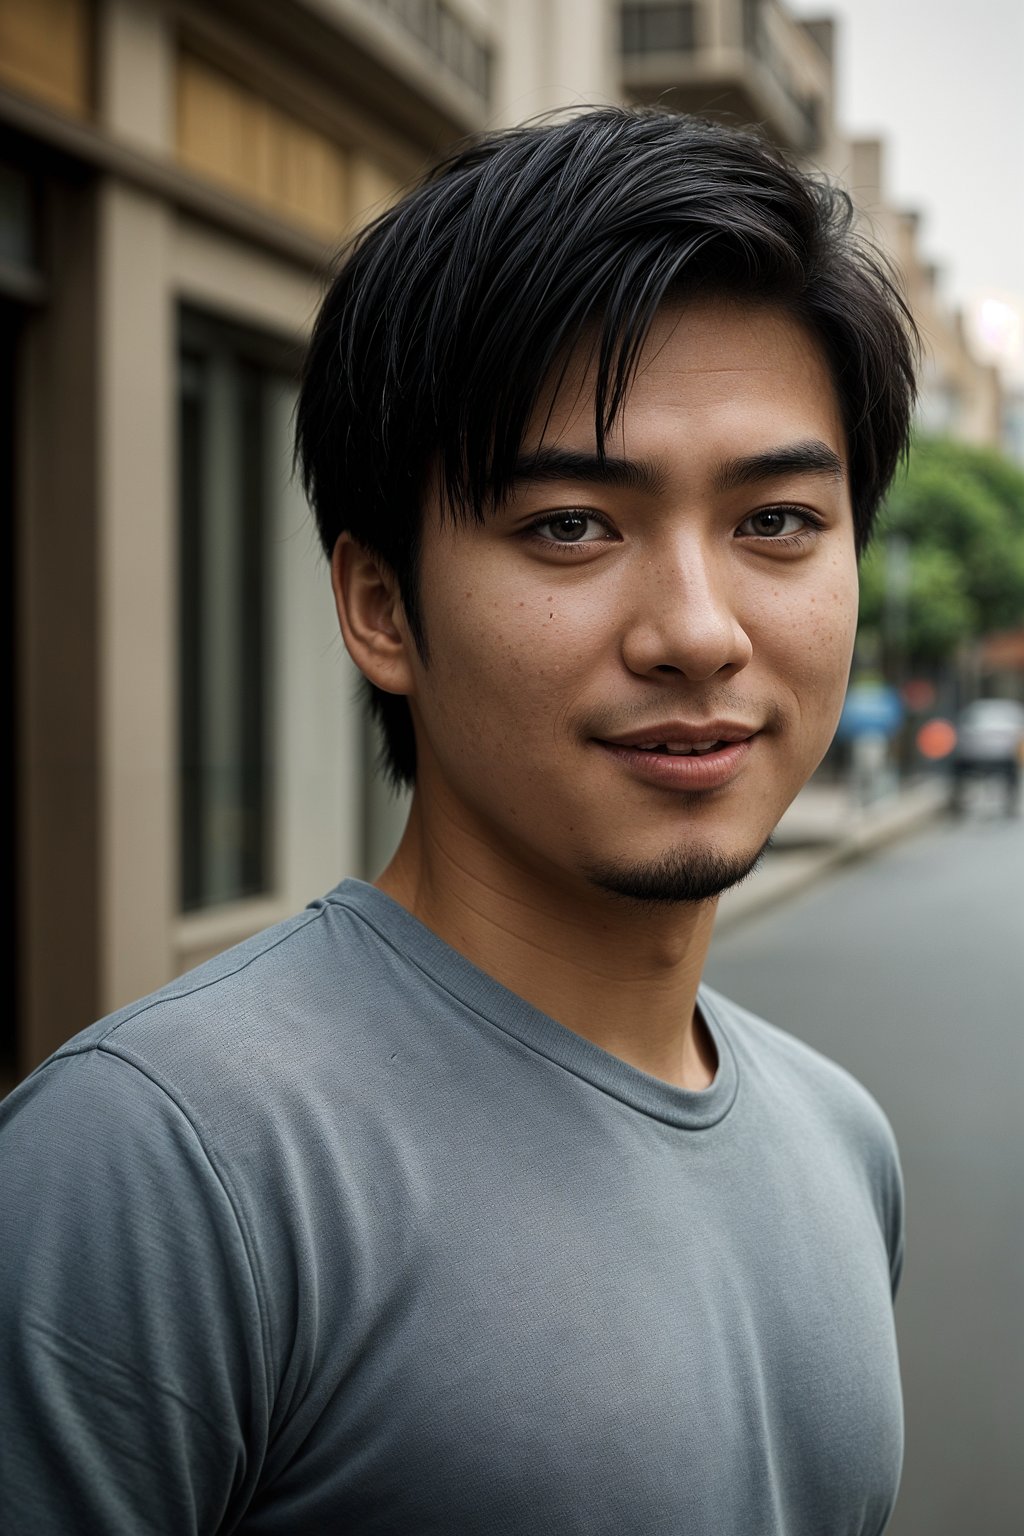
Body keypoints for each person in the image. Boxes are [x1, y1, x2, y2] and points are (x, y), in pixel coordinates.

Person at [0, 108, 918, 1534]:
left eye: (780, 521)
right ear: (380, 607)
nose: (697, 630)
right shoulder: (154, 1170)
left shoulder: (843, 1141)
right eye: (570, 524)